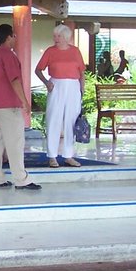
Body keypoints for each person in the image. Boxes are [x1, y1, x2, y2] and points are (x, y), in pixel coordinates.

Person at [0, 23, 40, 191]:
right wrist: (25, 101)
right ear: (8, 37)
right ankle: (21, 179)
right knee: (15, 141)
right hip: (9, 104)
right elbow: (14, 80)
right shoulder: (8, 56)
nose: (16, 38)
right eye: (14, 35)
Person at [35, 24, 86, 168]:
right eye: (54, 36)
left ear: (65, 38)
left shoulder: (75, 51)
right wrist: (46, 83)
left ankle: (69, 155)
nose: (55, 39)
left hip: (73, 86)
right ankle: (52, 156)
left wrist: (82, 89)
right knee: (54, 119)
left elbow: (82, 73)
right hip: (56, 85)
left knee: (71, 120)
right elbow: (38, 70)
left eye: (58, 36)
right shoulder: (50, 51)